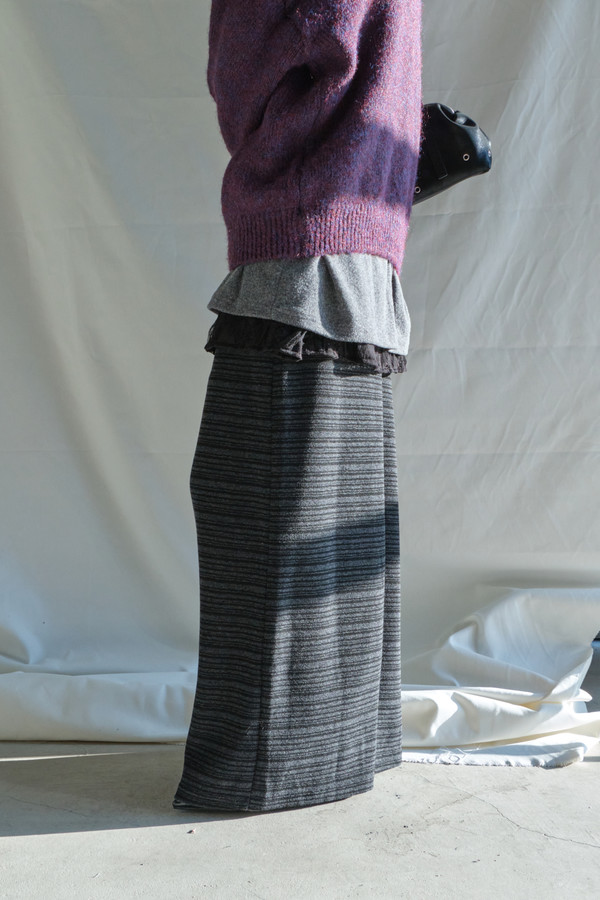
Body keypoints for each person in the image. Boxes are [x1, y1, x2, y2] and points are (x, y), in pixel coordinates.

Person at [173, 0, 423, 812]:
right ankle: (339, 754)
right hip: (366, 253)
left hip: (302, 246)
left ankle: (259, 772)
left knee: (258, 522)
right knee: (334, 537)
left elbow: (248, 64)